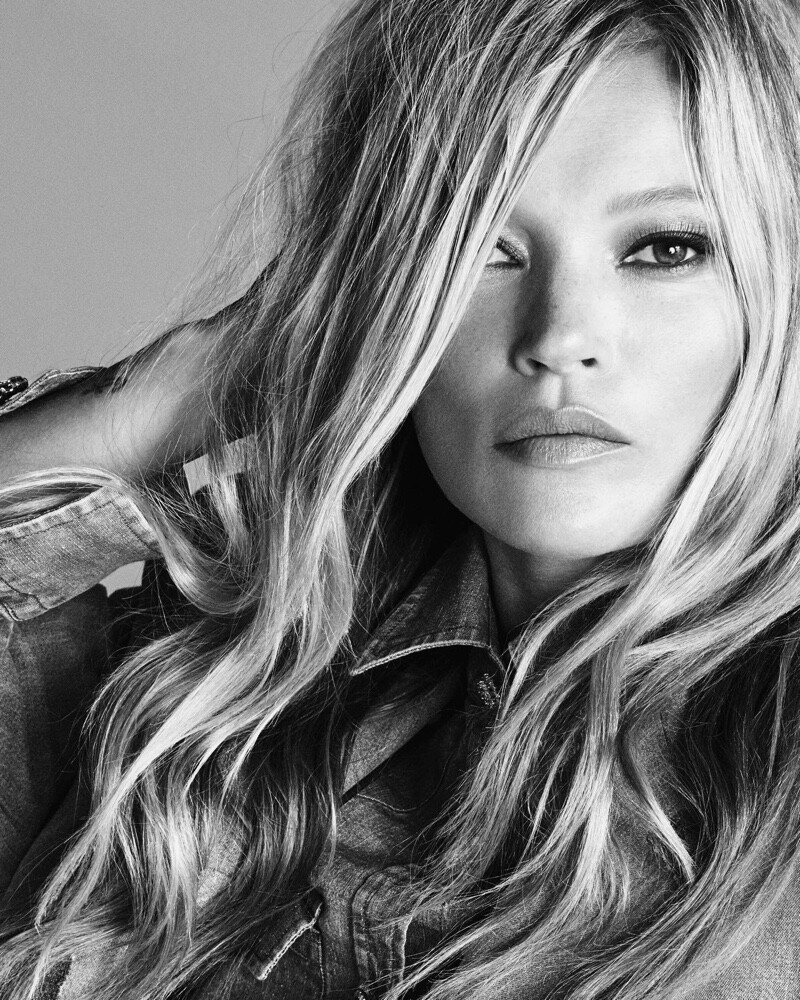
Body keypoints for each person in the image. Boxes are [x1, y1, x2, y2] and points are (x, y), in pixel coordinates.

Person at [1, 0, 800, 997]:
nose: (559, 337)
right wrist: (155, 409)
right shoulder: (216, 691)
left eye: (664, 248)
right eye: (475, 249)